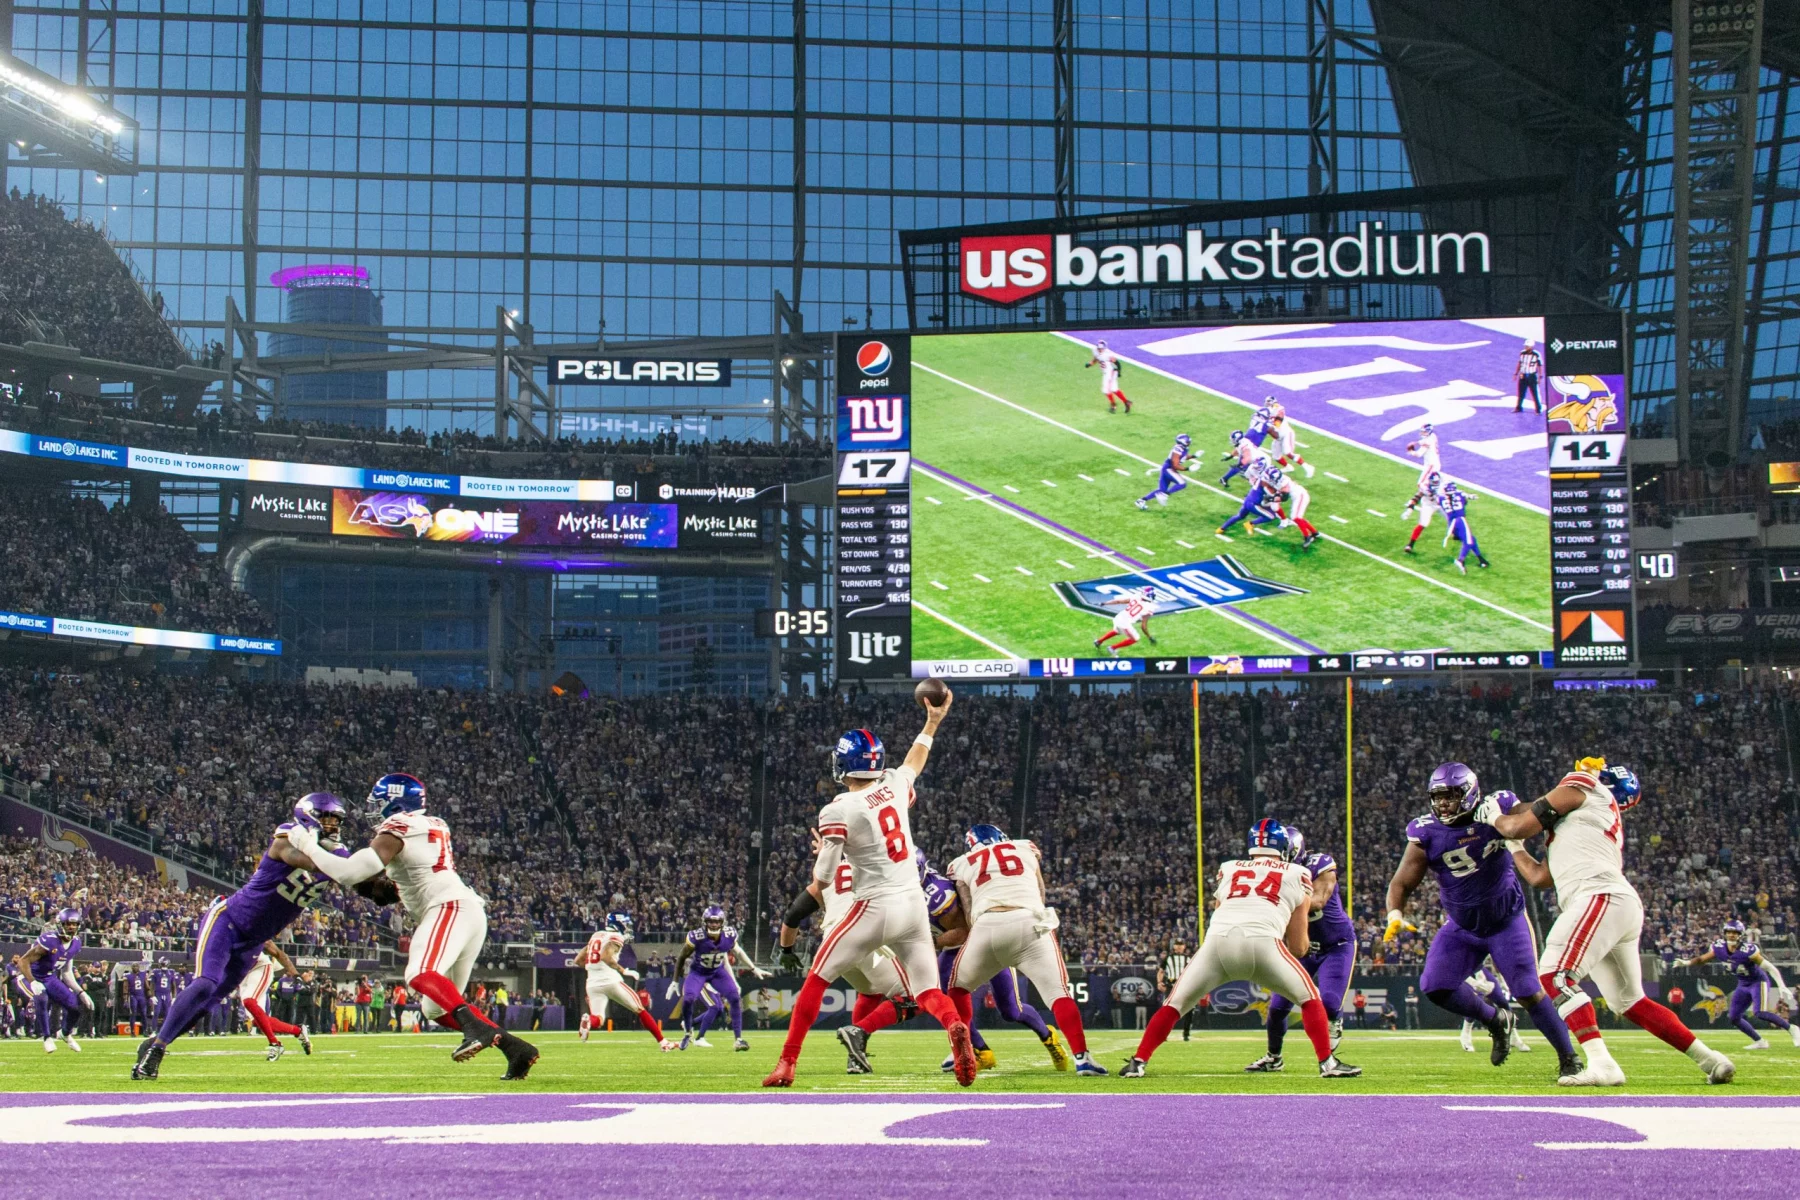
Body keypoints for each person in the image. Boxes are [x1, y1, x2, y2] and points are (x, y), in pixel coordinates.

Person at [762, 692, 977, 1087]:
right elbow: (914, 761)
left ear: (843, 764)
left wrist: (828, 849)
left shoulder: (839, 808)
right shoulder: (893, 785)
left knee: (817, 980)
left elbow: (824, 878)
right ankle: (953, 1026)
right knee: (927, 990)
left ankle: (787, 1064)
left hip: (873, 907)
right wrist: (932, 722)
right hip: (912, 904)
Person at [1488, 757, 1736, 1086]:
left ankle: (1602, 1064)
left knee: (1554, 974)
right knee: (1630, 1001)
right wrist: (1515, 845)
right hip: (1612, 901)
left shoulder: (1585, 784)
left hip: (1598, 896)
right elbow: (1538, 876)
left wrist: (1496, 815)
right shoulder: (1584, 824)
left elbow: (1519, 822)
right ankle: (1711, 1060)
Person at [280, 772, 540, 1079]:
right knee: (435, 1008)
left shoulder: (397, 826)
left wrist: (308, 846)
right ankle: (515, 1048)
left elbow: (352, 872)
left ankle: (475, 1030)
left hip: (448, 907)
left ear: (395, 802)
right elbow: (388, 885)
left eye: (379, 803)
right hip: (465, 911)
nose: (374, 810)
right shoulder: (431, 824)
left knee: (418, 973)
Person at [130, 794, 383, 1079]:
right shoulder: (286, 840)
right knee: (204, 984)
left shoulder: (336, 854)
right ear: (308, 816)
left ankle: (156, 1043)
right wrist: (353, 868)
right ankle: (157, 1051)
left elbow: (356, 877)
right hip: (228, 921)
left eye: (337, 821)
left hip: (254, 941)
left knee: (208, 1004)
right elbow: (315, 864)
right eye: (327, 819)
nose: (333, 826)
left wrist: (381, 884)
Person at [1384, 762, 1581, 1081]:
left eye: (1450, 796)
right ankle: (1495, 1021)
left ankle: (1568, 1057)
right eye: (1438, 797)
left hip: (1506, 921)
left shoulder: (1497, 807)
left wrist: (1574, 792)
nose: (1443, 803)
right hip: (1462, 927)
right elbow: (1401, 883)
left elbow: (1540, 811)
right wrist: (1395, 913)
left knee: (1528, 991)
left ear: (1470, 793)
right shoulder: (1425, 831)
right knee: (1434, 986)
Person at [1120, 820, 1359, 1078]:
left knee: (1174, 1004)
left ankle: (1138, 1062)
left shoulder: (1229, 868)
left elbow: (1219, 908)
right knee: (1310, 999)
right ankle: (1327, 1063)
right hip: (1265, 945)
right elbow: (1300, 948)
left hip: (1217, 944)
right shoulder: (1297, 874)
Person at [939, 823, 1105, 1076]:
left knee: (957, 988)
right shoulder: (1024, 847)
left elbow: (969, 906)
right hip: (1029, 923)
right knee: (1058, 994)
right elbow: (1039, 889)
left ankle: (962, 1048)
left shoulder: (960, 863)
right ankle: (1082, 1058)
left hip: (987, 926)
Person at [923, 848, 1070, 1075]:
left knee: (1011, 1011)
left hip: (981, 942)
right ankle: (978, 1050)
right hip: (956, 949)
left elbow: (964, 930)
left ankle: (1048, 1036)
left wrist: (930, 943)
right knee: (949, 1001)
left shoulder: (936, 893)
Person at [778, 840, 915, 1076]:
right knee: (914, 997)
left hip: (834, 941)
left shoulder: (828, 875)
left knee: (868, 992)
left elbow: (793, 914)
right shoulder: (875, 864)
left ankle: (848, 1058)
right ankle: (859, 1031)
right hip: (864, 935)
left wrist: (786, 951)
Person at [1247, 826, 1354, 1072]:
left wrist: (1276, 902)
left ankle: (1335, 1020)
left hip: (1335, 945)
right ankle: (1274, 1058)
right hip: (1301, 949)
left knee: (1327, 1003)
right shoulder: (1274, 873)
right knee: (1276, 1009)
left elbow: (1318, 901)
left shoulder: (1321, 864)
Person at [1675, 920, 1800, 1049]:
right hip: (1743, 983)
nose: (1731, 935)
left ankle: (1792, 1029)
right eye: (1729, 932)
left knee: (1760, 1012)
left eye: (1735, 932)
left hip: (1758, 981)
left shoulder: (1747, 950)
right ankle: (1760, 1041)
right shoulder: (1719, 948)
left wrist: (1781, 985)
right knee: (1734, 1017)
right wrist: (1686, 963)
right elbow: (1702, 959)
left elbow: (1770, 967)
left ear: (1740, 934)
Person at [673, 904, 768, 1052]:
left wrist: (753, 968)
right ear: (705, 922)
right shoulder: (696, 936)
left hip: (717, 972)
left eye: (717, 921)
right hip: (698, 973)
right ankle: (688, 1031)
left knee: (735, 998)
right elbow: (681, 956)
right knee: (689, 999)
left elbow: (738, 952)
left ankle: (738, 1039)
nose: (714, 924)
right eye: (711, 921)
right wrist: (674, 980)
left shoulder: (729, 934)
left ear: (722, 922)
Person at [577, 911, 674, 1049]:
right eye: (625, 923)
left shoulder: (596, 935)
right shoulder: (615, 936)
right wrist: (624, 971)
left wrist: (594, 970)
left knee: (598, 1019)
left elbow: (578, 960)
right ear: (618, 923)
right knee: (640, 1009)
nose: (627, 926)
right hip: (610, 980)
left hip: (592, 983)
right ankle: (663, 1042)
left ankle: (588, 1021)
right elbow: (605, 956)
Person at [10, 904, 88, 1053]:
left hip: (49, 978)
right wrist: (33, 982)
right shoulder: (50, 940)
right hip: (29, 976)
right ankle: (47, 1037)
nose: (71, 927)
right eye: (68, 924)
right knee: (42, 998)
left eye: (74, 924)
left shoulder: (76, 943)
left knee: (74, 1006)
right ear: (60, 924)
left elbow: (66, 972)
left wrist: (80, 992)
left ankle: (65, 1033)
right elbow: (23, 961)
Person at [236, 942, 311, 1061]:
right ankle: (298, 1030)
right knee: (256, 1021)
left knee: (249, 1001)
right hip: (242, 975)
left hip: (260, 967)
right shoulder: (219, 940)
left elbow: (278, 953)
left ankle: (275, 1044)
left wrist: (296, 974)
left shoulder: (250, 934)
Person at [1461, 966, 1532, 1053]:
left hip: (1478, 969)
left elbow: (1495, 959)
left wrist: (1501, 979)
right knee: (1476, 1001)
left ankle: (1514, 1036)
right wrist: (1473, 982)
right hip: (1460, 971)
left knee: (1502, 1002)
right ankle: (1465, 1035)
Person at [1094, 585, 1157, 657]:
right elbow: (1143, 627)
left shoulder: (1136, 597)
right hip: (1124, 623)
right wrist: (1149, 637)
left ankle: (1098, 641)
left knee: (1117, 631)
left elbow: (1119, 601)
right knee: (1135, 638)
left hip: (1118, 617)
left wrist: (1105, 603)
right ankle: (1112, 648)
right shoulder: (1150, 607)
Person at [1136, 433, 1192, 510]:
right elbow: (1175, 465)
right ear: (1183, 442)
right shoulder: (1178, 449)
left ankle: (1141, 500)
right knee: (1182, 484)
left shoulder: (1181, 448)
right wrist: (1188, 469)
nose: (1189, 442)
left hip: (1167, 468)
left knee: (1161, 490)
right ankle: (1166, 494)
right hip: (1169, 469)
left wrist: (1194, 456)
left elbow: (1183, 457)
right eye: (1187, 441)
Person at [1158, 939, 1192, 1043]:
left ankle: (1186, 1034)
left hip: (1184, 986)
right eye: (1177, 945)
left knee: (1189, 1010)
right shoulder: (1168, 958)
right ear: (1174, 946)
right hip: (1171, 985)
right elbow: (1161, 971)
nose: (1179, 947)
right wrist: (1159, 982)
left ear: (1184, 946)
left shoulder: (1189, 959)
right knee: (1167, 1010)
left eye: (1181, 945)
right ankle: (1164, 1034)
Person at [1085, 340, 1130, 412]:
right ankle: (1126, 402)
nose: (1100, 350)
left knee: (1106, 390)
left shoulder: (1108, 354)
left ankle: (1113, 405)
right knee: (1114, 389)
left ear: (1104, 348)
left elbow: (1117, 363)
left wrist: (1119, 372)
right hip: (1106, 373)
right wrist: (1090, 364)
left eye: (1101, 348)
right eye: (1099, 348)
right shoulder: (1095, 350)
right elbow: (1096, 358)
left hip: (1111, 372)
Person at [1514, 340, 1543, 413]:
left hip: (1532, 375)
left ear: (1531, 346)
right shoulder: (1522, 353)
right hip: (1522, 374)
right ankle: (1519, 407)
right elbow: (1520, 363)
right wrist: (1516, 373)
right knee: (1521, 392)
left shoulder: (1536, 354)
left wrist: (1540, 376)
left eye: (1527, 346)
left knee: (1535, 393)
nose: (1526, 347)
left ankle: (1538, 409)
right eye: (1526, 346)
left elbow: (1540, 366)